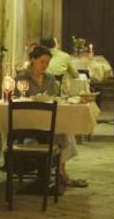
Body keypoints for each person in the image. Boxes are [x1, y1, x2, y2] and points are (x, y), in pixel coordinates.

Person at [15, 45, 87, 188]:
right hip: (28, 122)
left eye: (47, 63)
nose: (45, 65)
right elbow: (17, 98)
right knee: (61, 133)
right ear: (33, 60)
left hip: (47, 121)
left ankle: (59, 171)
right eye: (42, 62)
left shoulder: (49, 78)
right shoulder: (23, 78)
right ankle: (61, 174)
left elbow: (57, 96)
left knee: (64, 131)